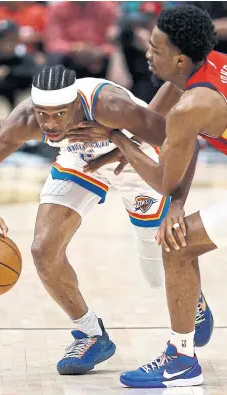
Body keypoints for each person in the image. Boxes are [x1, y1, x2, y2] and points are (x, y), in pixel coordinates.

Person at [0, 65, 213, 376]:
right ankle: (91, 334)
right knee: (43, 249)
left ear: (77, 105)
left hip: (133, 154)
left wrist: (120, 144)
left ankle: (192, 296)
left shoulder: (111, 105)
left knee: (157, 275)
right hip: (79, 159)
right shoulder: (26, 120)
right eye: (43, 114)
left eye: (59, 115)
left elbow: (176, 140)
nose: (49, 124)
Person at [67, 5, 227, 388]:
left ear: (179, 59)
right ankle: (183, 350)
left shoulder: (194, 105)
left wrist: (116, 136)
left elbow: (161, 176)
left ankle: (181, 360)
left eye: (155, 47)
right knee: (179, 240)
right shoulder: (204, 67)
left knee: (176, 243)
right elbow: (159, 130)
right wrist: (125, 146)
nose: (147, 53)